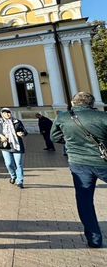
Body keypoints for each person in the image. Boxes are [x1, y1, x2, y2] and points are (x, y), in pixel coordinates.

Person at [51, 92, 107, 247]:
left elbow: (54, 137)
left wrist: (71, 142)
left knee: (85, 201)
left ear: (72, 102)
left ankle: (94, 239)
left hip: (78, 163)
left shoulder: (63, 117)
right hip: (102, 161)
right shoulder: (103, 117)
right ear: (92, 103)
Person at [0, 108, 28, 188]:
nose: (7, 114)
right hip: (6, 145)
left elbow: (25, 132)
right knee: (9, 163)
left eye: (8, 112)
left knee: (19, 164)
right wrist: (0, 136)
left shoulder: (17, 121)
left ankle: (20, 181)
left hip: (17, 145)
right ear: (2, 114)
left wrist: (22, 133)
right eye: (5, 113)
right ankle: (13, 176)